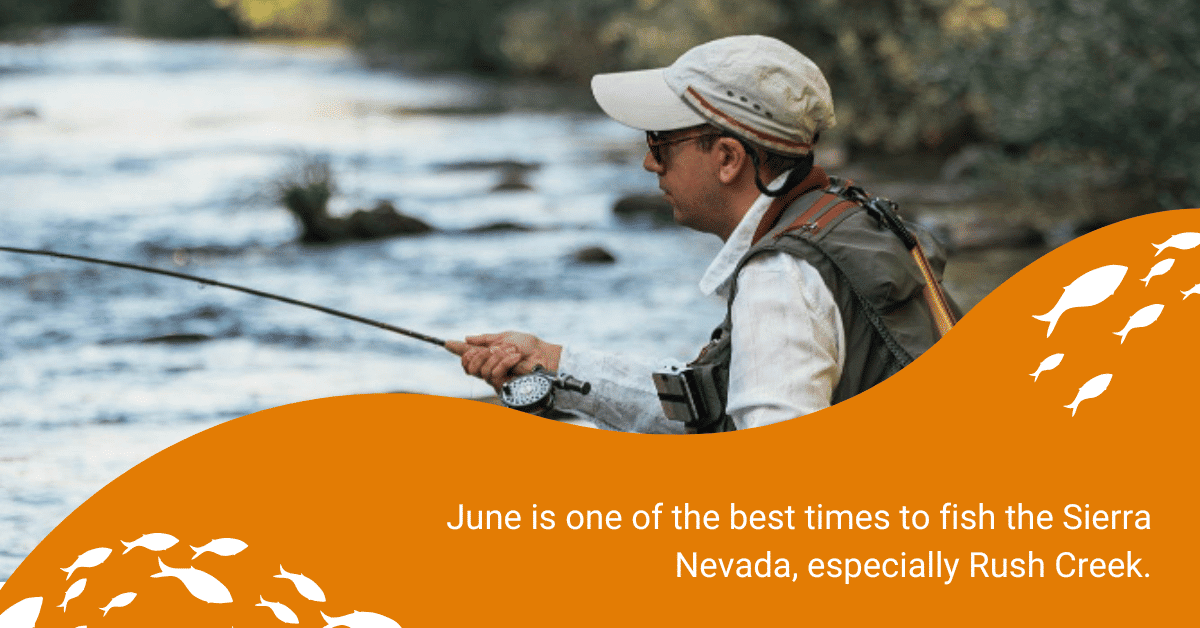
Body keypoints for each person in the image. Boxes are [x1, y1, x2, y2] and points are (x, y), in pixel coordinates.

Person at [445, 35, 958, 433]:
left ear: (728, 158)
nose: (649, 162)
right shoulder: (849, 215)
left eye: (660, 142)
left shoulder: (782, 278)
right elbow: (706, 400)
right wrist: (550, 364)